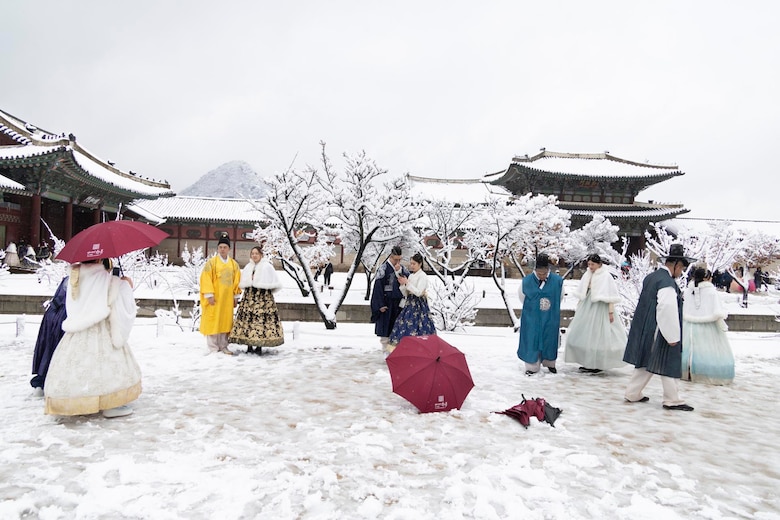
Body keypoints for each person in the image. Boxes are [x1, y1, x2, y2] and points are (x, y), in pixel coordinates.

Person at [44, 259, 141, 418]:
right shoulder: (101, 276)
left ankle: (74, 400)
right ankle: (111, 404)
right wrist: (124, 284)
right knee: (106, 364)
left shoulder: (74, 276)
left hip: (77, 331)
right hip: (99, 327)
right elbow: (112, 299)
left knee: (76, 365)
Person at [623, 243, 696, 411]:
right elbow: (666, 308)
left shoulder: (652, 277)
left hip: (646, 326)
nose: (681, 273)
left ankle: (632, 392)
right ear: (677, 265)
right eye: (681, 268)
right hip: (660, 327)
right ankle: (672, 399)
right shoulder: (667, 282)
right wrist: (672, 336)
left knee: (645, 360)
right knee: (668, 360)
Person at [564, 254, 627, 373]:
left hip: (600, 307)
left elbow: (610, 295)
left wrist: (610, 312)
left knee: (599, 335)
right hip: (588, 305)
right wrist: (580, 304)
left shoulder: (606, 276)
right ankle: (587, 361)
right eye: (589, 264)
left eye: (593, 264)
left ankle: (598, 362)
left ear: (599, 264)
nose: (590, 266)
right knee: (585, 333)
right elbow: (583, 290)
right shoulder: (587, 274)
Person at [681, 264, 734, 385]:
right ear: (706, 277)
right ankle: (706, 373)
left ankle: (686, 372)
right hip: (709, 325)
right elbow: (717, 310)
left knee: (688, 351)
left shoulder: (688, 290)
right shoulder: (711, 291)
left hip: (688, 325)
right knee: (708, 351)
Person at [229, 245, 284, 354]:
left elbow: (273, 281)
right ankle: (249, 345)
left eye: (256, 253)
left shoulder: (267, 266)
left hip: (263, 298)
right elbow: (244, 281)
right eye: (252, 253)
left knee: (261, 321)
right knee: (249, 320)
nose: (254, 255)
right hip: (249, 297)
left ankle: (259, 346)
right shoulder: (248, 267)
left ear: (261, 255)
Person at [517, 253, 564, 375]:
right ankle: (532, 366)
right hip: (531, 316)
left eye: (544, 273)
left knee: (549, 338)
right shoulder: (526, 281)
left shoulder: (558, 281)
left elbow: (560, 296)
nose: (542, 276)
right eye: (539, 273)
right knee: (531, 339)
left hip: (550, 316)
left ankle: (550, 363)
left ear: (548, 270)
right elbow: (522, 297)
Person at [200, 234, 241, 355]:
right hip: (215, 298)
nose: (222, 249)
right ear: (217, 249)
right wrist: (209, 294)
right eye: (220, 247)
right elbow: (205, 278)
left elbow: (237, 281)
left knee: (225, 321)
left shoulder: (234, 264)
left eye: (225, 247)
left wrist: (235, 297)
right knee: (213, 320)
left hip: (227, 299)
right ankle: (213, 347)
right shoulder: (211, 263)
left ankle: (224, 345)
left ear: (229, 249)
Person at [388, 253, 436, 349]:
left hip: (419, 305)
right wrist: (403, 285)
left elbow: (418, 292)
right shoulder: (411, 276)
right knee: (403, 324)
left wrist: (407, 283)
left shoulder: (422, 276)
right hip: (409, 304)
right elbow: (406, 293)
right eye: (411, 263)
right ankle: (402, 348)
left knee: (418, 326)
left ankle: (420, 348)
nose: (412, 266)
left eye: (414, 264)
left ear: (420, 264)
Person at [30, 276, 69, 392]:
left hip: (53, 314)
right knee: (58, 349)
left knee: (49, 347)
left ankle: (42, 379)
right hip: (63, 317)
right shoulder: (79, 278)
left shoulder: (68, 278)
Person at [370, 246, 410, 353]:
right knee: (386, 331)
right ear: (391, 257)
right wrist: (380, 305)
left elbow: (408, 282)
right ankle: (386, 352)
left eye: (399, 259)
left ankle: (396, 352)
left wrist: (400, 272)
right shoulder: (383, 269)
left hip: (399, 305)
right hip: (387, 304)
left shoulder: (403, 269)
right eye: (395, 259)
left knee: (398, 330)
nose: (397, 262)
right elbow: (377, 288)